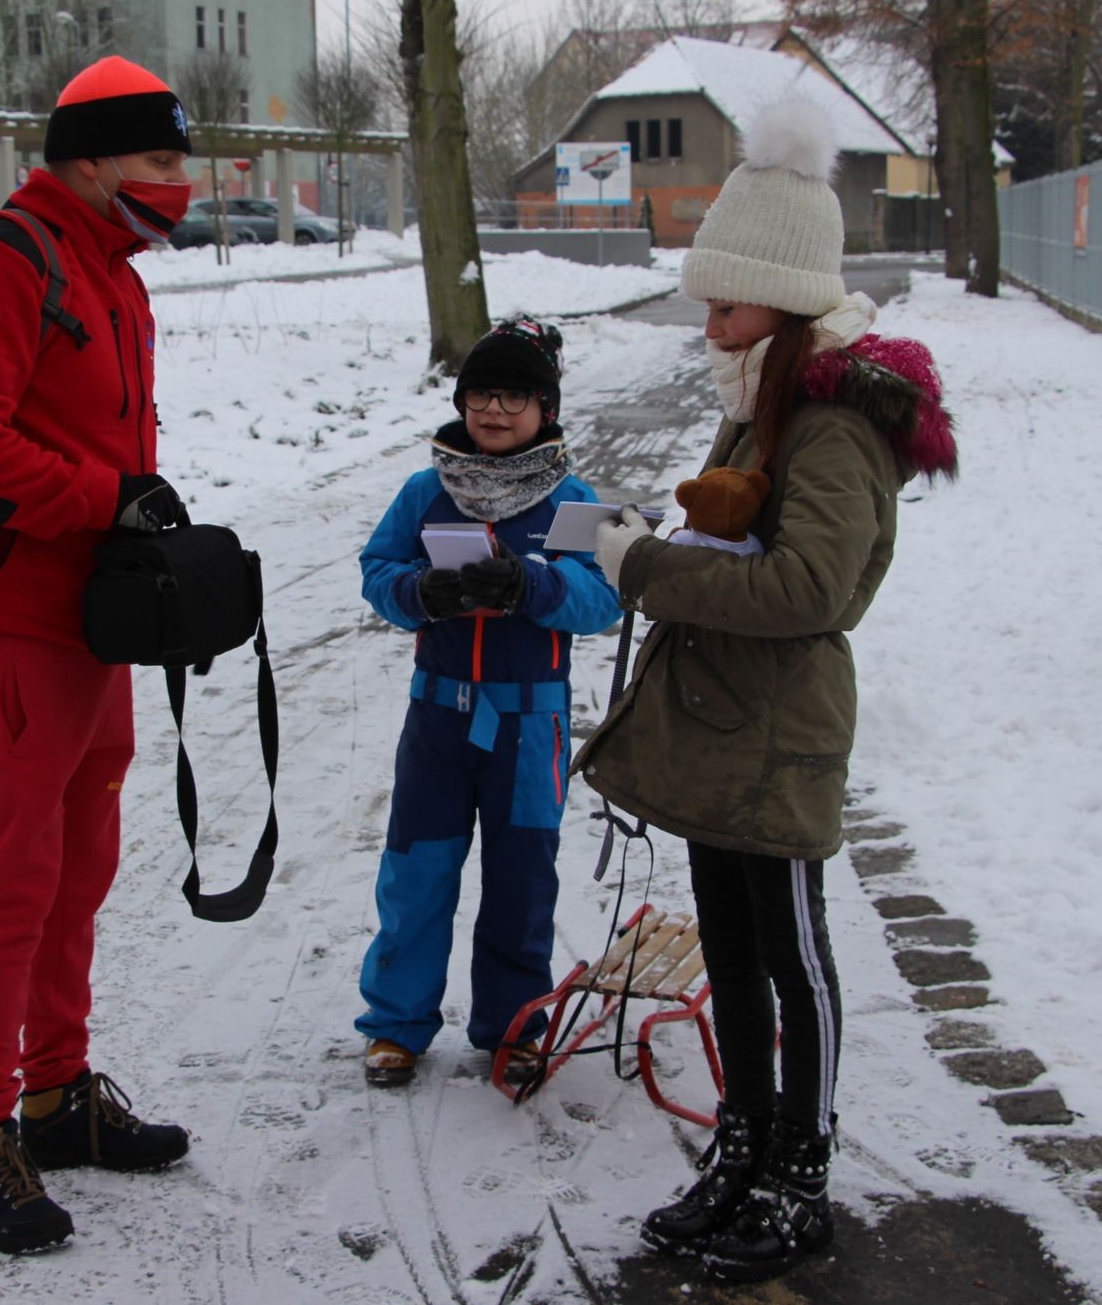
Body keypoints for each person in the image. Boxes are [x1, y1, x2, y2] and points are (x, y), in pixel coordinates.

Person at [575, 96, 957, 1284]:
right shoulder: (762, 402)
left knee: (793, 958)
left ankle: (803, 1169)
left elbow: (808, 591)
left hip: (776, 739)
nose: (705, 320)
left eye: (723, 300)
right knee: (732, 956)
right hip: (720, 735)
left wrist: (645, 566)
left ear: (783, 300)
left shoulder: (831, 421)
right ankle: (743, 1143)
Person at [0, 55, 200, 1255]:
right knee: (13, 879)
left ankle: (57, 1093)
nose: (182, 183)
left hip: (92, 620)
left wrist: (133, 528)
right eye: (162, 161)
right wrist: (106, 500)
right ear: (87, 164)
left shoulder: (109, 270)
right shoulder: (3, 259)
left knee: (80, 866)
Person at [355, 319, 623, 1088]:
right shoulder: (425, 491)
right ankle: (397, 1024)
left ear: (546, 407)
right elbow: (379, 568)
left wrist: (533, 585)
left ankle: (513, 1026)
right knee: (417, 872)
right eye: (480, 394)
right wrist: (418, 592)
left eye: (513, 396)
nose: (494, 411)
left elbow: (602, 599)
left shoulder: (574, 501)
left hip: (529, 722)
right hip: (437, 718)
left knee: (521, 879)